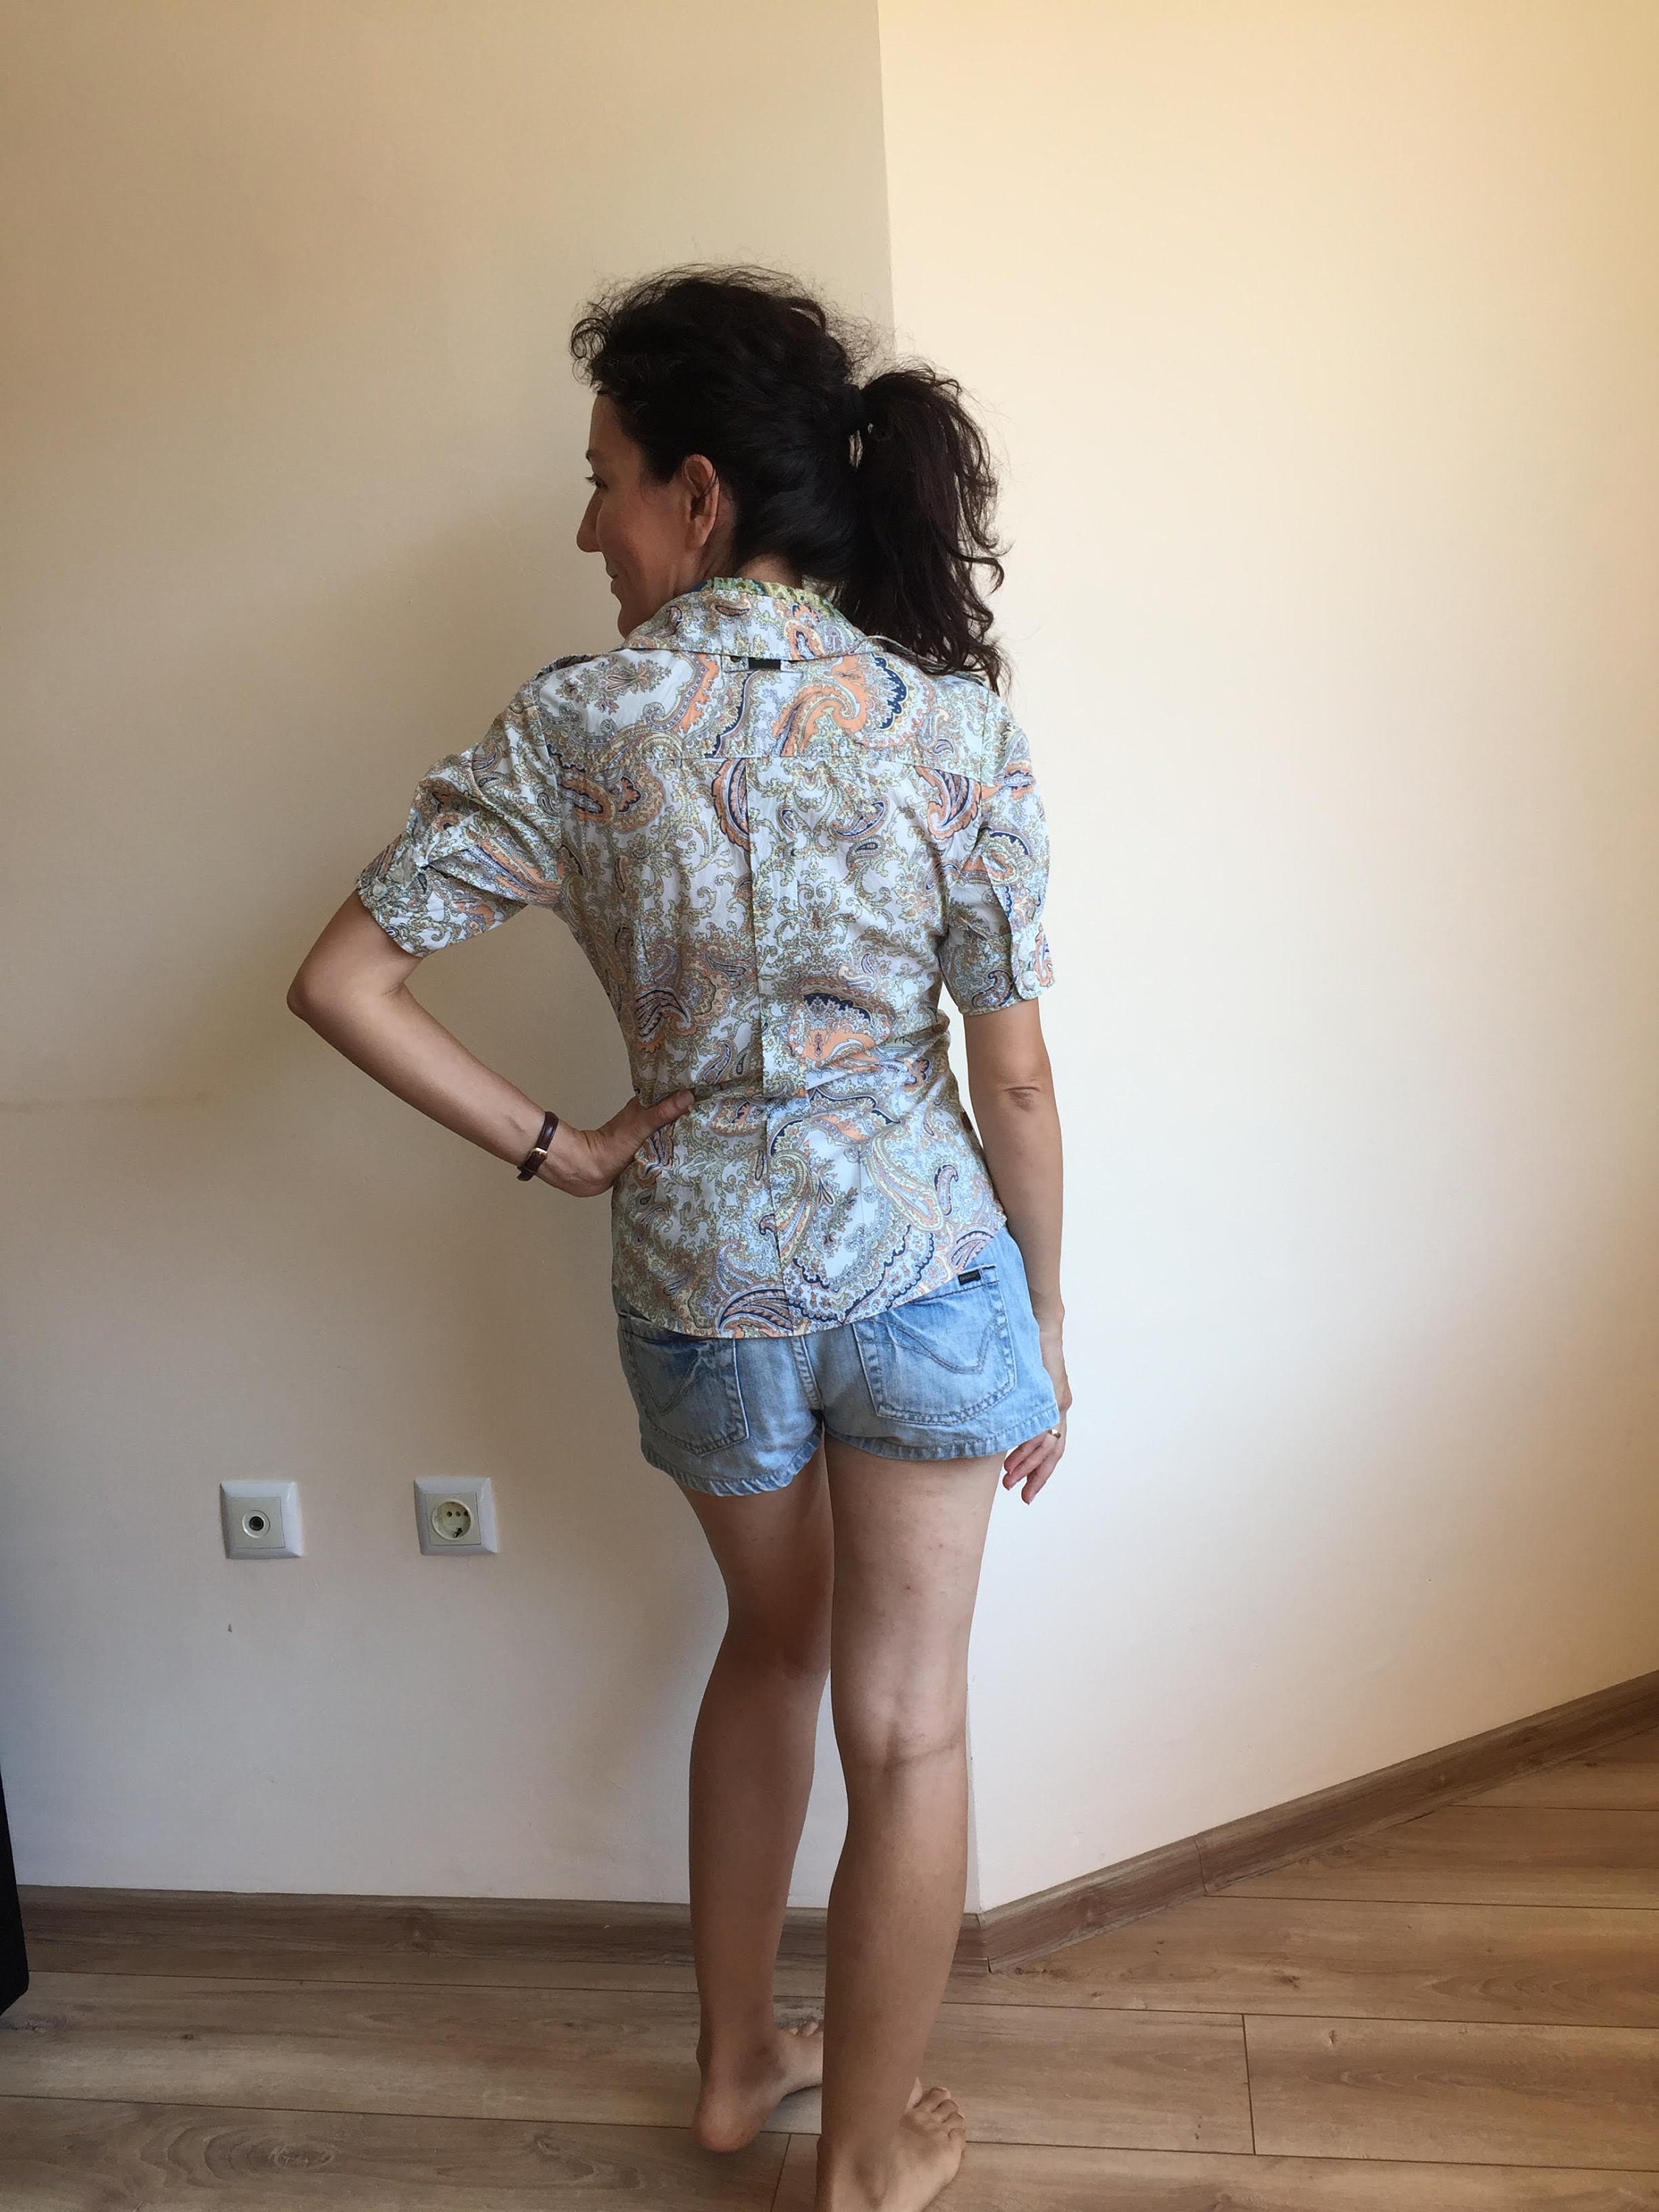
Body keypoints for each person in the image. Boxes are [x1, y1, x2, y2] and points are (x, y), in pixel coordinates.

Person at [288, 265, 1068, 2212]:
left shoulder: (579, 725)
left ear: (698, 495)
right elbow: (1017, 1079)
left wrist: (562, 1151)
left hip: (703, 1291)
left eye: (603, 479)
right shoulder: (947, 726)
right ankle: (867, 2160)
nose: (588, 528)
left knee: (769, 1648)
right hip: (922, 1277)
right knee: (911, 1729)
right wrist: (1045, 1320)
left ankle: (735, 2077)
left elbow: (343, 982)